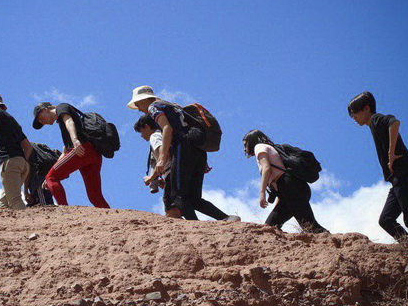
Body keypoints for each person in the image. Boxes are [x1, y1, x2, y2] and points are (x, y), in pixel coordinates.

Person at [127, 85, 239, 222]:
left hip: (183, 147)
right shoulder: (171, 105)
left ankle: (195, 226)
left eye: (138, 104)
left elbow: (167, 128)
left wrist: (161, 159)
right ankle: (227, 218)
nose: (138, 108)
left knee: (177, 196)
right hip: (198, 149)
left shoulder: (153, 107)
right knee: (194, 198)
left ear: (144, 99)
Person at [348, 91, 408, 240]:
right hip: (397, 179)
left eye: (354, 113)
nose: (354, 118)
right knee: (386, 220)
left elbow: (394, 122)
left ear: (366, 109)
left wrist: (391, 153)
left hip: (405, 173)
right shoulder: (373, 125)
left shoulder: (376, 119)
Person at [242, 129, 328, 233]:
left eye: (245, 144)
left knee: (310, 226)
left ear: (252, 141)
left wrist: (262, 193)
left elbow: (266, 168)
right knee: (270, 226)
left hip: (292, 187)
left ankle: (334, 241)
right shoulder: (272, 149)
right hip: (292, 189)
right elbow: (281, 185)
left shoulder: (259, 147)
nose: (244, 149)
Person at [32, 101, 110, 208]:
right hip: (93, 154)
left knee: (52, 177)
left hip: (81, 150)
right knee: (94, 196)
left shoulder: (61, 107)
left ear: (45, 110)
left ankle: (64, 211)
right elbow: (65, 152)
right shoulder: (63, 125)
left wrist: (75, 140)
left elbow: (68, 121)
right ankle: (113, 216)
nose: (42, 122)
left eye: (40, 119)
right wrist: (52, 172)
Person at [133, 114, 181, 218]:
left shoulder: (154, 137)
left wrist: (151, 178)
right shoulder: (162, 134)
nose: (141, 135)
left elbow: (163, 156)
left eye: (141, 131)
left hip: (171, 173)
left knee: (171, 211)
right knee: (183, 205)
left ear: (147, 127)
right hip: (177, 172)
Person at [25, 143, 59, 207]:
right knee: (44, 203)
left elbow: (27, 170)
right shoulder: (34, 146)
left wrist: (25, 192)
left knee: (45, 206)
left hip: (38, 181)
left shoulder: (24, 148)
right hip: (45, 179)